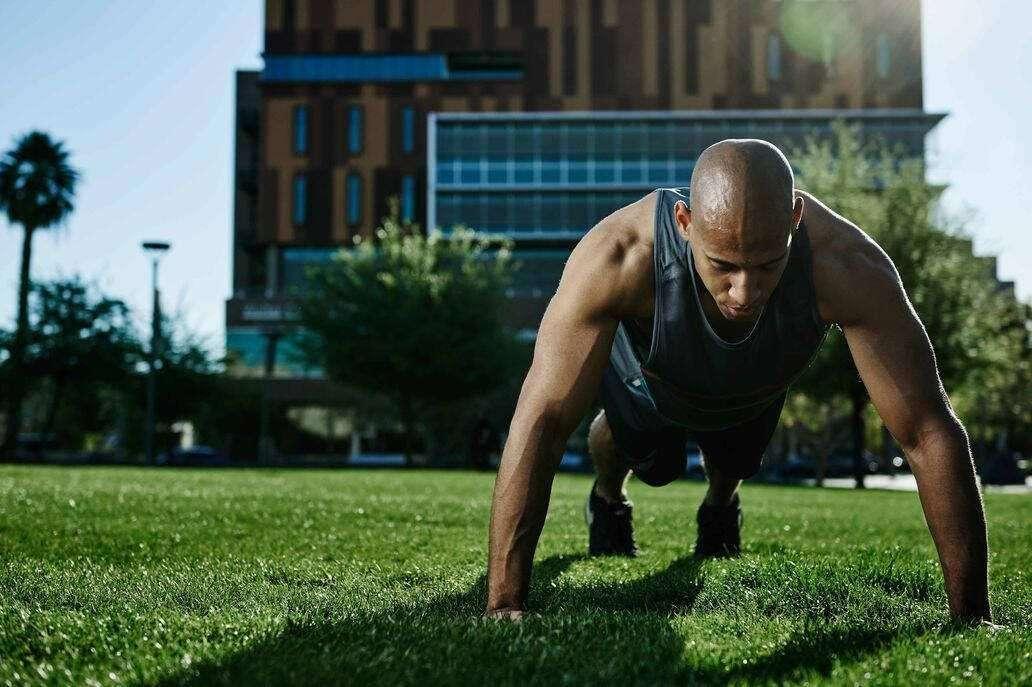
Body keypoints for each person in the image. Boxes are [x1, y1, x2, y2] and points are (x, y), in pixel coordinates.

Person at [484, 139, 993, 625]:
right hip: (653, 380)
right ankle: (609, 498)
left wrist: (972, 617)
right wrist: (504, 603)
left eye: (768, 264)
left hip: (754, 386)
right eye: (723, 265)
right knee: (651, 460)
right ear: (685, 223)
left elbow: (927, 429)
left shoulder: (845, 263)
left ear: (795, 218)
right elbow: (543, 420)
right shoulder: (619, 255)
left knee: (736, 459)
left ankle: (720, 507)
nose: (745, 292)